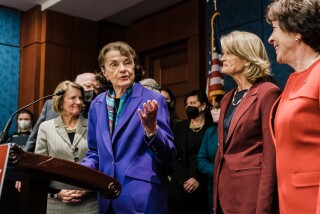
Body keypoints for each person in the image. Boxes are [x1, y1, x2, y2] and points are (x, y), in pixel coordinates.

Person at [81, 41, 176, 214]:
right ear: (104, 71)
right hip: (107, 195)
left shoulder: (153, 99)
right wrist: (79, 176)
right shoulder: (97, 104)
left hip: (142, 197)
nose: (123, 69)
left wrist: (152, 130)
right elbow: (94, 152)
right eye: (114, 64)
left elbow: (168, 154)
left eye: (127, 62)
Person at [213, 31, 281, 214]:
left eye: (228, 53)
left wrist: (263, 207)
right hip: (225, 196)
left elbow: (270, 155)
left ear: (247, 57)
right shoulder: (227, 98)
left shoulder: (267, 92)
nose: (222, 58)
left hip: (251, 196)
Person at [266, 1, 320, 213]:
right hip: (290, 202)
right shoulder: (292, 80)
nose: (270, 39)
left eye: (275, 29)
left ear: (296, 30)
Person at [34, 80, 98, 214]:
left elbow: (101, 160)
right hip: (56, 202)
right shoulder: (46, 127)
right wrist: (57, 193)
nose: (79, 102)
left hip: (90, 202)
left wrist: (86, 189)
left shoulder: (93, 125)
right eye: (73, 98)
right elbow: (40, 167)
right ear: (60, 101)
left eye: (80, 98)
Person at [24, 72, 98, 152]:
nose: (92, 90)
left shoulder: (96, 108)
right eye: (88, 86)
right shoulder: (49, 106)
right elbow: (34, 138)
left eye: (96, 88)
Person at [169, 89, 213, 214]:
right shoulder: (180, 127)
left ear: (203, 106)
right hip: (182, 186)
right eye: (187, 104)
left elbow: (214, 157)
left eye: (193, 103)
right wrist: (184, 180)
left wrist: (198, 179)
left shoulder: (213, 127)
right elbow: (172, 155)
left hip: (204, 185)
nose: (189, 107)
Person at [196, 94, 222, 214]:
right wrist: (216, 171)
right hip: (213, 187)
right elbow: (201, 159)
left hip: (233, 185)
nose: (214, 111)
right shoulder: (210, 132)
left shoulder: (234, 129)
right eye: (213, 108)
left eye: (218, 107)